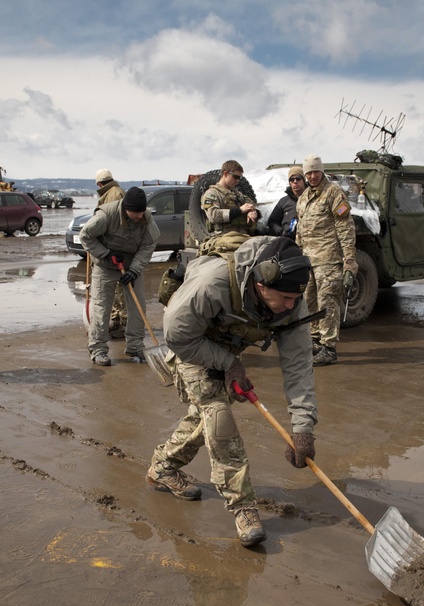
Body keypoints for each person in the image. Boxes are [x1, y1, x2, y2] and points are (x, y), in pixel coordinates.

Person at [147, 235, 317, 547]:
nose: (292, 306)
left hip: (224, 345)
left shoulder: (291, 297)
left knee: (205, 420)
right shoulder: (214, 283)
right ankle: (243, 508)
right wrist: (228, 364)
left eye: (297, 298)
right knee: (219, 418)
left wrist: (302, 427)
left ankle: (163, 467)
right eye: (286, 299)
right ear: (261, 285)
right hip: (191, 345)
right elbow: (177, 334)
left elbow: (298, 365)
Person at [80, 186, 159, 366]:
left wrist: (134, 270)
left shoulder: (146, 217)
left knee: (138, 308)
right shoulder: (106, 215)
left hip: (131, 267)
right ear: (125, 209)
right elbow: (85, 236)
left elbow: (149, 244)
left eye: (141, 212)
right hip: (105, 265)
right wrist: (106, 253)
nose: (139, 216)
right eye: (135, 213)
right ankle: (98, 350)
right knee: (102, 308)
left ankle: (135, 346)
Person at [294, 155, 359, 367]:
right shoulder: (304, 196)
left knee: (328, 302)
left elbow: (345, 227)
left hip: (329, 259)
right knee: (310, 301)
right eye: (308, 173)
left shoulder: (334, 193)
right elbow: (301, 229)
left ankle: (329, 348)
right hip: (308, 260)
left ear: (322, 172)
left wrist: (349, 259)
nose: (312, 176)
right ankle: (315, 342)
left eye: (315, 172)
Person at [94, 169, 128, 340]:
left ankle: (122, 325)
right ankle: (116, 321)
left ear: (99, 184)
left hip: (115, 250)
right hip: (113, 249)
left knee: (120, 291)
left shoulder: (114, 195)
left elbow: (115, 225)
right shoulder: (114, 192)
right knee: (116, 291)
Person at [201, 160, 261, 238]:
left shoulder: (236, 193)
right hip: (224, 237)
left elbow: (251, 204)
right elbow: (213, 215)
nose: (237, 180)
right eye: (235, 177)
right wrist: (240, 210)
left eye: (240, 178)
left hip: (242, 235)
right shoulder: (212, 194)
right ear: (225, 174)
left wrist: (252, 210)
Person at [266, 165, 306, 240]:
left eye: (298, 178)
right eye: (292, 179)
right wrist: (282, 232)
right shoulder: (283, 202)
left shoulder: (312, 198)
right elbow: (272, 222)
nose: (295, 182)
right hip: (288, 241)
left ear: (303, 180)